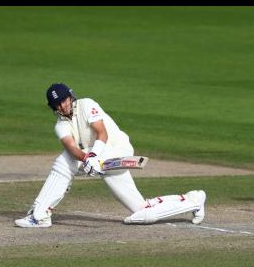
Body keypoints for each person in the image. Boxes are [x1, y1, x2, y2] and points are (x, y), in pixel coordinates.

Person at [15, 83, 206, 228]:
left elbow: (102, 133)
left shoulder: (87, 104)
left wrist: (94, 157)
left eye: (64, 100)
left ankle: (194, 201)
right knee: (142, 212)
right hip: (98, 160)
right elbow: (72, 149)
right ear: (54, 107)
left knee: (142, 214)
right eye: (58, 104)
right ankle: (39, 215)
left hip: (118, 150)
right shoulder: (60, 125)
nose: (63, 107)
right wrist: (87, 160)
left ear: (71, 97)